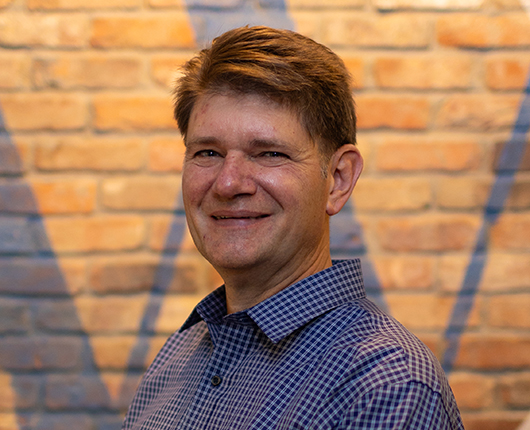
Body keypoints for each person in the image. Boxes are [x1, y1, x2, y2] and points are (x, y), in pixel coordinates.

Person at [122, 26, 464, 429]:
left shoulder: (386, 387)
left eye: (269, 153)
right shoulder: (175, 361)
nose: (228, 183)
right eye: (208, 152)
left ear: (338, 179)